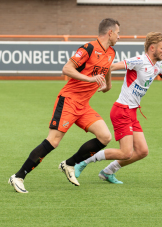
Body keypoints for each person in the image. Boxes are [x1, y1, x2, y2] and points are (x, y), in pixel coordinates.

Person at [74, 32, 162, 184]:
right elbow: (110, 66)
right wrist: (107, 84)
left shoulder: (158, 67)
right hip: (121, 110)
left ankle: (108, 171)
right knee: (126, 152)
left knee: (142, 151)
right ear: (152, 48)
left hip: (132, 112)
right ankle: (82, 161)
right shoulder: (138, 61)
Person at [8, 18, 120, 193]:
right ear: (110, 32)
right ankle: (18, 176)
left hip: (83, 105)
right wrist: (90, 79)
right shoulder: (88, 48)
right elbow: (67, 69)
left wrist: (107, 85)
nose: (119, 37)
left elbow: (106, 75)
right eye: (118, 33)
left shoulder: (111, 53)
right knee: (53, 141)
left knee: (105, 137)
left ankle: (69, 164)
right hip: (68, 100)